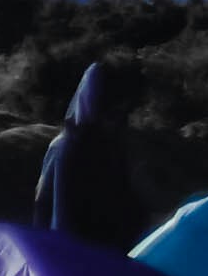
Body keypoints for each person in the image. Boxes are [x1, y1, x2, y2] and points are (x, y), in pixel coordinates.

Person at [33, 58, 151, 253]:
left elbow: (124, 200)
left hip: (109, 254)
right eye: (112, 112)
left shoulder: (111, 146)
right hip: (74, 255)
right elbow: (54, 211)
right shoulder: (66, 148)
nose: (117, 120)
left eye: (122, 112)